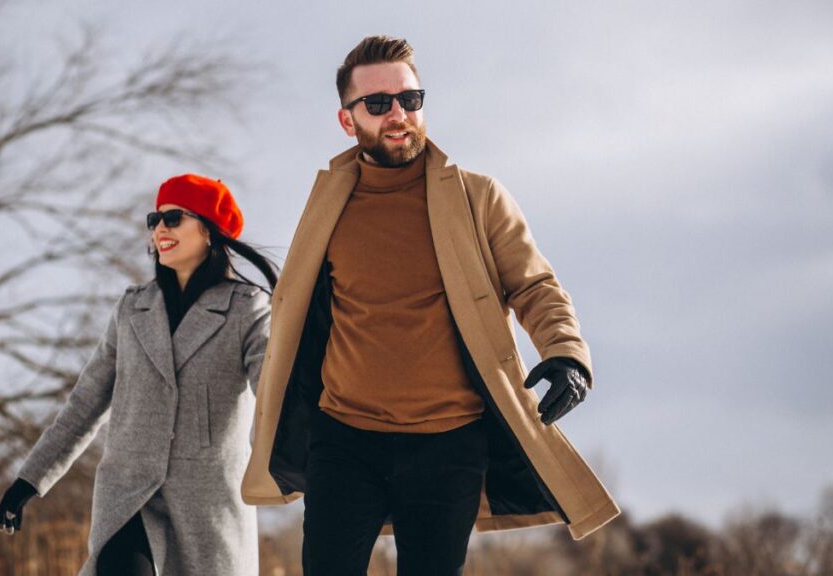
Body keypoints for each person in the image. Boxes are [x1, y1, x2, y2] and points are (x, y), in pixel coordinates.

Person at [241, 36, 620, 575]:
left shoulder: (477, 196)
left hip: (447, 444)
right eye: (378, 104)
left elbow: (535, 285)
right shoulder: (327, 203)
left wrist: (566, 353)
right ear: (348, 120)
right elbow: (300, 308)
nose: (398, 114)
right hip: (343, 437)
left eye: (410, 100)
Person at [0, 174, 275, 576]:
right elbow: (85, 404)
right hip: (128, 498)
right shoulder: (132, 310)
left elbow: (271, 391)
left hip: (206, 509)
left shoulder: (247, 310)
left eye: (174, 218)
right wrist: (30, 479)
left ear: (209, 231)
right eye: (154, 219)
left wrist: (298, 456)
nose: (160, 228)